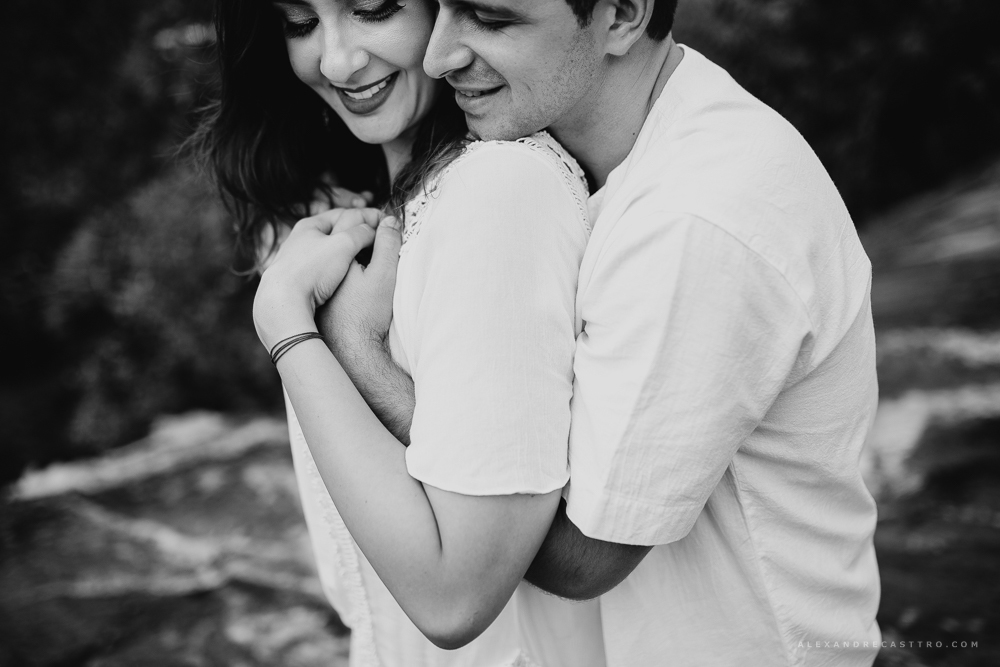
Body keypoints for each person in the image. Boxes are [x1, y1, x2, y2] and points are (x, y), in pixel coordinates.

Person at [324, 0, 883, 665]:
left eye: (491, 20)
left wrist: (354, 353)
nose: (438, 54)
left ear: (621, 15)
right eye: (442, 7)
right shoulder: (620, 139)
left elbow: (580, 558)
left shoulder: (698, 219)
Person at [196, 0, 604, 665]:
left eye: (372, 9)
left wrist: (290, 331)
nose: (336, 59)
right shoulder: (365, 207)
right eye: (301, 25)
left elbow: (454, 595)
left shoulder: (497, 195)